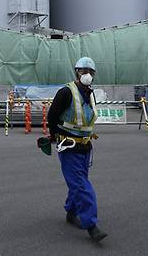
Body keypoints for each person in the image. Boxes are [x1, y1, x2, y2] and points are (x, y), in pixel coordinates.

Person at [47, 56, 108, 242]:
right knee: (82, 186)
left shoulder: (91, 94)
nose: (87, 75)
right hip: (69, 148)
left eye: (91, 72)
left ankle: (71, 211)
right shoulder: (66, 92)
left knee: (78, 183)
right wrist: (54, 136)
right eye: (84, 71)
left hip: (85, 147)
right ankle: (91, 225)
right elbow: (52, 116)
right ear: (76, 72)